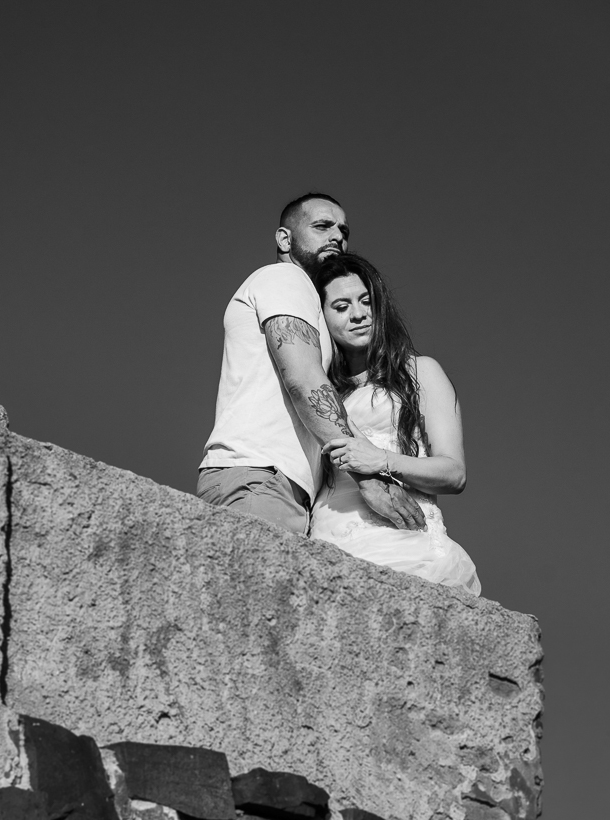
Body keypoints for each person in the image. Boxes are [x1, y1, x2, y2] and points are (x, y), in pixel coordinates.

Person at [197, 194, 425, 536]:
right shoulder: (285, 279)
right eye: (322, 226)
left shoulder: (305, 298)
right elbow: (304, 380)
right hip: (259, 477)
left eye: (343, 231)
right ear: (284, 239)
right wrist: (369, 479)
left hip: (282, 486)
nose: (337, 237)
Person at [309, 252, 481, 594]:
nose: (358, 314)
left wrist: (382, 461)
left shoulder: (419, 371)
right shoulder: (320, 392)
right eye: (341, 306)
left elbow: (454, 473)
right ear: (322, 317)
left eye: (366, 301)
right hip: (328, 537)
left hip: (402, 543)